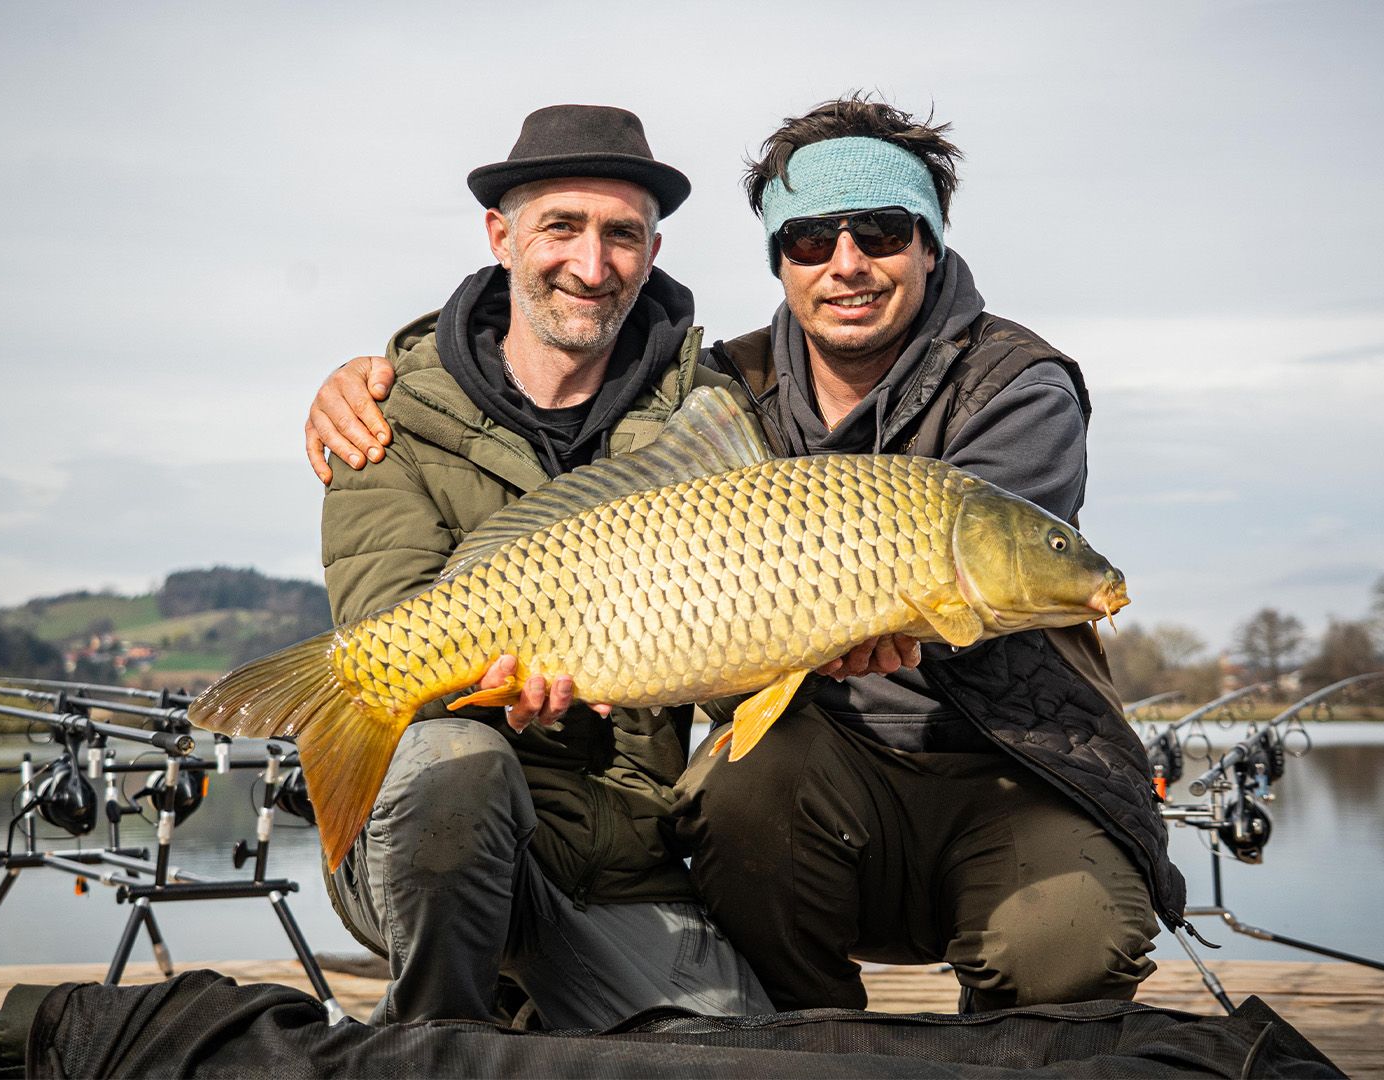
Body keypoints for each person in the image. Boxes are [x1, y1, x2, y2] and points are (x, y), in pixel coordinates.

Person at [307, 97, 1187, 1014]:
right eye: (809, 239)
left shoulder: (993, 388)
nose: (847, 263)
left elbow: (754, 621)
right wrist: (357, 378)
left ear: (930, 244)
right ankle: (450, 1032)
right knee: (494, 762)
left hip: (984, 772)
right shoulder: (710, 387)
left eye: (883, 232)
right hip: (493, 810)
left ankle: (838, 1044)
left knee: (1032, 951)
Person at [313, 103, 772, 1028]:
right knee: (455, 762)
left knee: (745, 1057)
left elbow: (743, 661)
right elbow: (390, 653)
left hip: (617, 863)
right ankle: (440, 1035)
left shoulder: (711, 415)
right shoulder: (386, 418)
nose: (592, 266)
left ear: (652, 251)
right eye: (561, 226)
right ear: (501, 236)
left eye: (622, 236)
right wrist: (491, 693)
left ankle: (541, 997)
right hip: (426, 837)